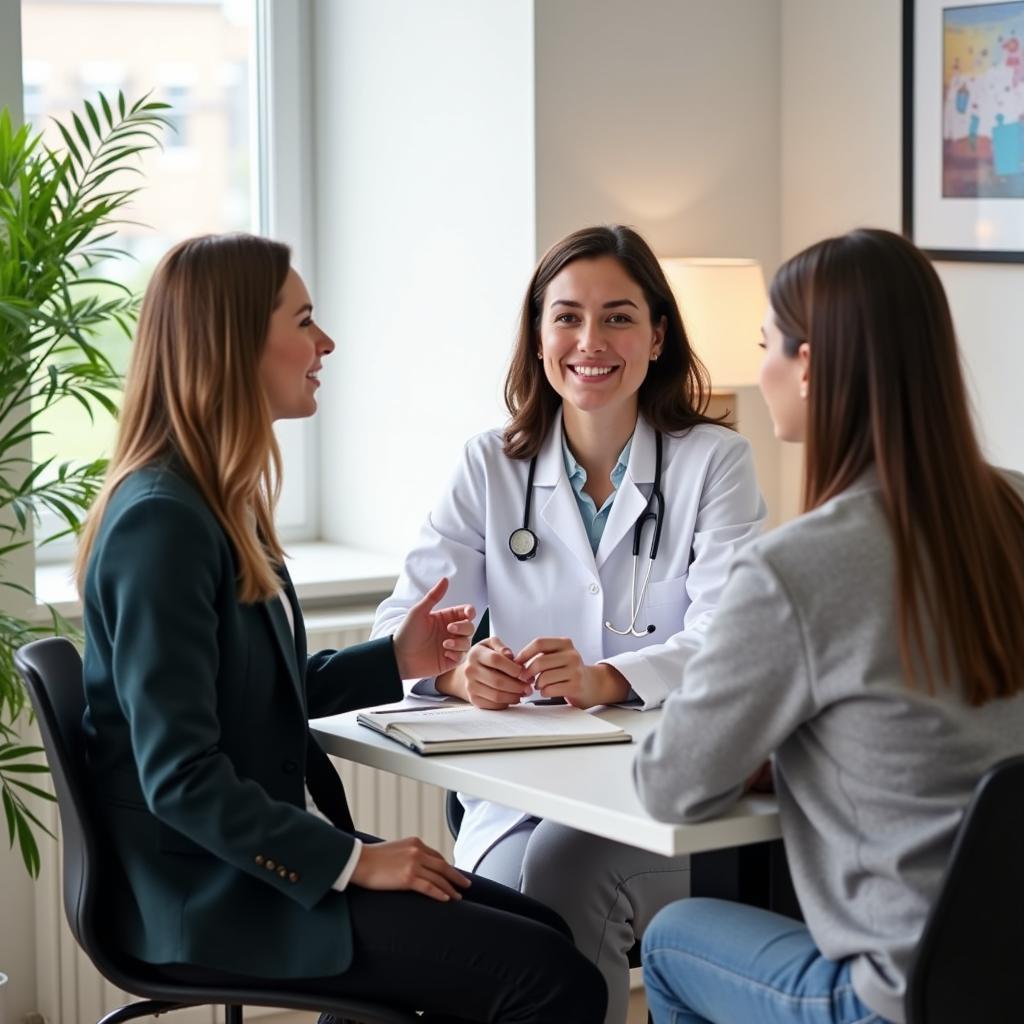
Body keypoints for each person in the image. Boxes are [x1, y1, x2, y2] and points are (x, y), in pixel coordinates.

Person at [74, 233, 607, 1024]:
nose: (325, 343)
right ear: (236, 344)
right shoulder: (163, 524)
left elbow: (254, 693)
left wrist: (398, 658)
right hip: (204, 895)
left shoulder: (216, 504)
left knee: (547, 934)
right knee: (553, 978)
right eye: (304, 321)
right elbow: (182, 777)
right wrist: (354, 861)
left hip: (239, 873)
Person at [372, 224, 766, 1022]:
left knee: (553, 879)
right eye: (567, 317)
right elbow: (400, 624)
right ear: (539, 334)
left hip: (665, 801)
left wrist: (609, 678)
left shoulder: (712, 462)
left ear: (658, 335)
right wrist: (457, 671)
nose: (591, 341)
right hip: (525, 796)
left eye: (619, 317)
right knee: (497, 909)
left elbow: (735, 641)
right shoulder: (491, 465)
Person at [634, 227, 1024, 1024]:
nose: (763, 368)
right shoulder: (1016, 507)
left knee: (673, 939)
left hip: (896, 997)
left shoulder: (795, 569)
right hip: (1009, 976)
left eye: (765, 344)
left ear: (808, 365)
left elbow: (671, 786)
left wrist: (772, 743)